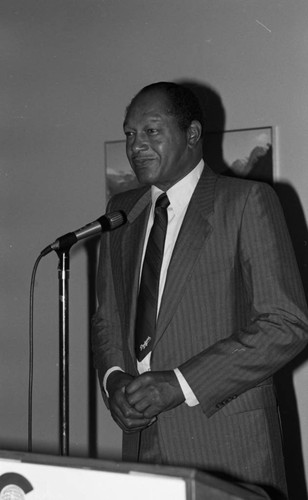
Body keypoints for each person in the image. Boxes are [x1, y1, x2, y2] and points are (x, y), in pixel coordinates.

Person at [92, 81, 308, 499]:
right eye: (130, 134)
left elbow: (286, 324)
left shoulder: (246, 201)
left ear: (192, 134)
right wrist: (115, 379)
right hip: (141, 448)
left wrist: (179, 384)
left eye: (152, 131)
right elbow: (108, 319)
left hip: (227, 449)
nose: (136, 145)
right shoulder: (122, 212)